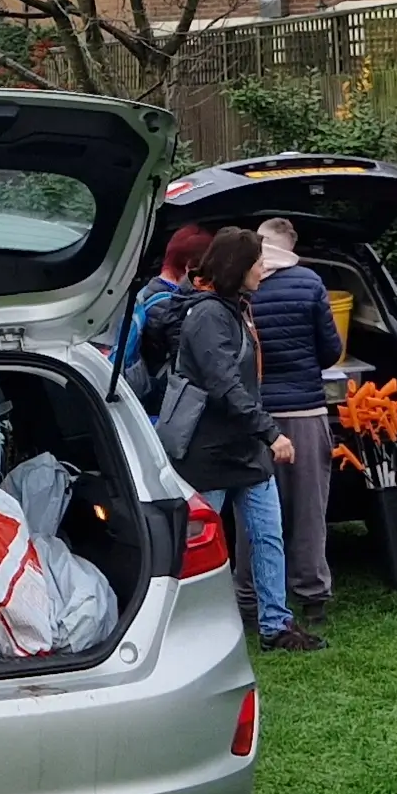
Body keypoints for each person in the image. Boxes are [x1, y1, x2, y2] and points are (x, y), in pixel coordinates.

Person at [152, 226, 305, 651]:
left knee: (269, 535)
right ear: (238, 268)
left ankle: (277, 626)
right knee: (200, 547)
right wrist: (271, 432)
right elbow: (224, 384)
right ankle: (188, 628)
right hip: (209, 451)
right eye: (257, 262)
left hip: (244, 446)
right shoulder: (206, 315)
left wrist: (259, 433)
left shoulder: (235, 306)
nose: (263, 269)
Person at [245, 219, 343, 633]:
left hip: (256, 417)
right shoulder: (309, 282)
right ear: (291, 246)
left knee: (255, 511)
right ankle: (312, 595)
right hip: (305, 411)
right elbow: (331, 350)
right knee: (307, 510)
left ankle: (249, 596)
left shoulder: (241, 286)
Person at [111, 223, 207, 380]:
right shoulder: (169, 304)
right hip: (161, 388)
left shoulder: (148, 290)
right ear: (191, 265)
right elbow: (187, 361)